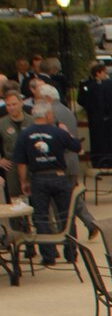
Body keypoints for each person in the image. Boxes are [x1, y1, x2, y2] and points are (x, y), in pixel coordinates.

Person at [10, 103, 81, 265]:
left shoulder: (24, 134)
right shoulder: (58, 132)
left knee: (41, 217)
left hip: (38, 178)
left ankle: (48, 255)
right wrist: (67, 133)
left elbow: (21, 162)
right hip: (59, 176)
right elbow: (76, 147)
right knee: (65, 215)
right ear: (48, 115)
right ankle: (71, 253)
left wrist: (23, 181)